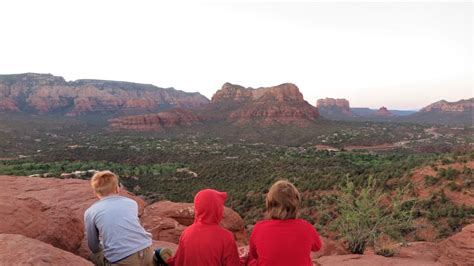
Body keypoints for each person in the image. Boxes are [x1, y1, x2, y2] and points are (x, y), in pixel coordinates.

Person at [84, 170, 155, 266]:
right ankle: (156, 257)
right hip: (147, 250)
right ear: (117, 189)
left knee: (94, 256)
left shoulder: (91, 212)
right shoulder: (131, 203)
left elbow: (93, 246)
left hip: (123, 259)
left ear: (95, 193)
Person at [247, 180, 322, 266]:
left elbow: (253, 254)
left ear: (270, 204)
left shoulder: (259, 228)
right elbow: (317, 247)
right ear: (296, 204)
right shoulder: (306, 227)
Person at [166, 189, 241, 266]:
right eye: (220, 206)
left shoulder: (186, 233)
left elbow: (178, 261)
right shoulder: (226, 237)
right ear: (216, 209)